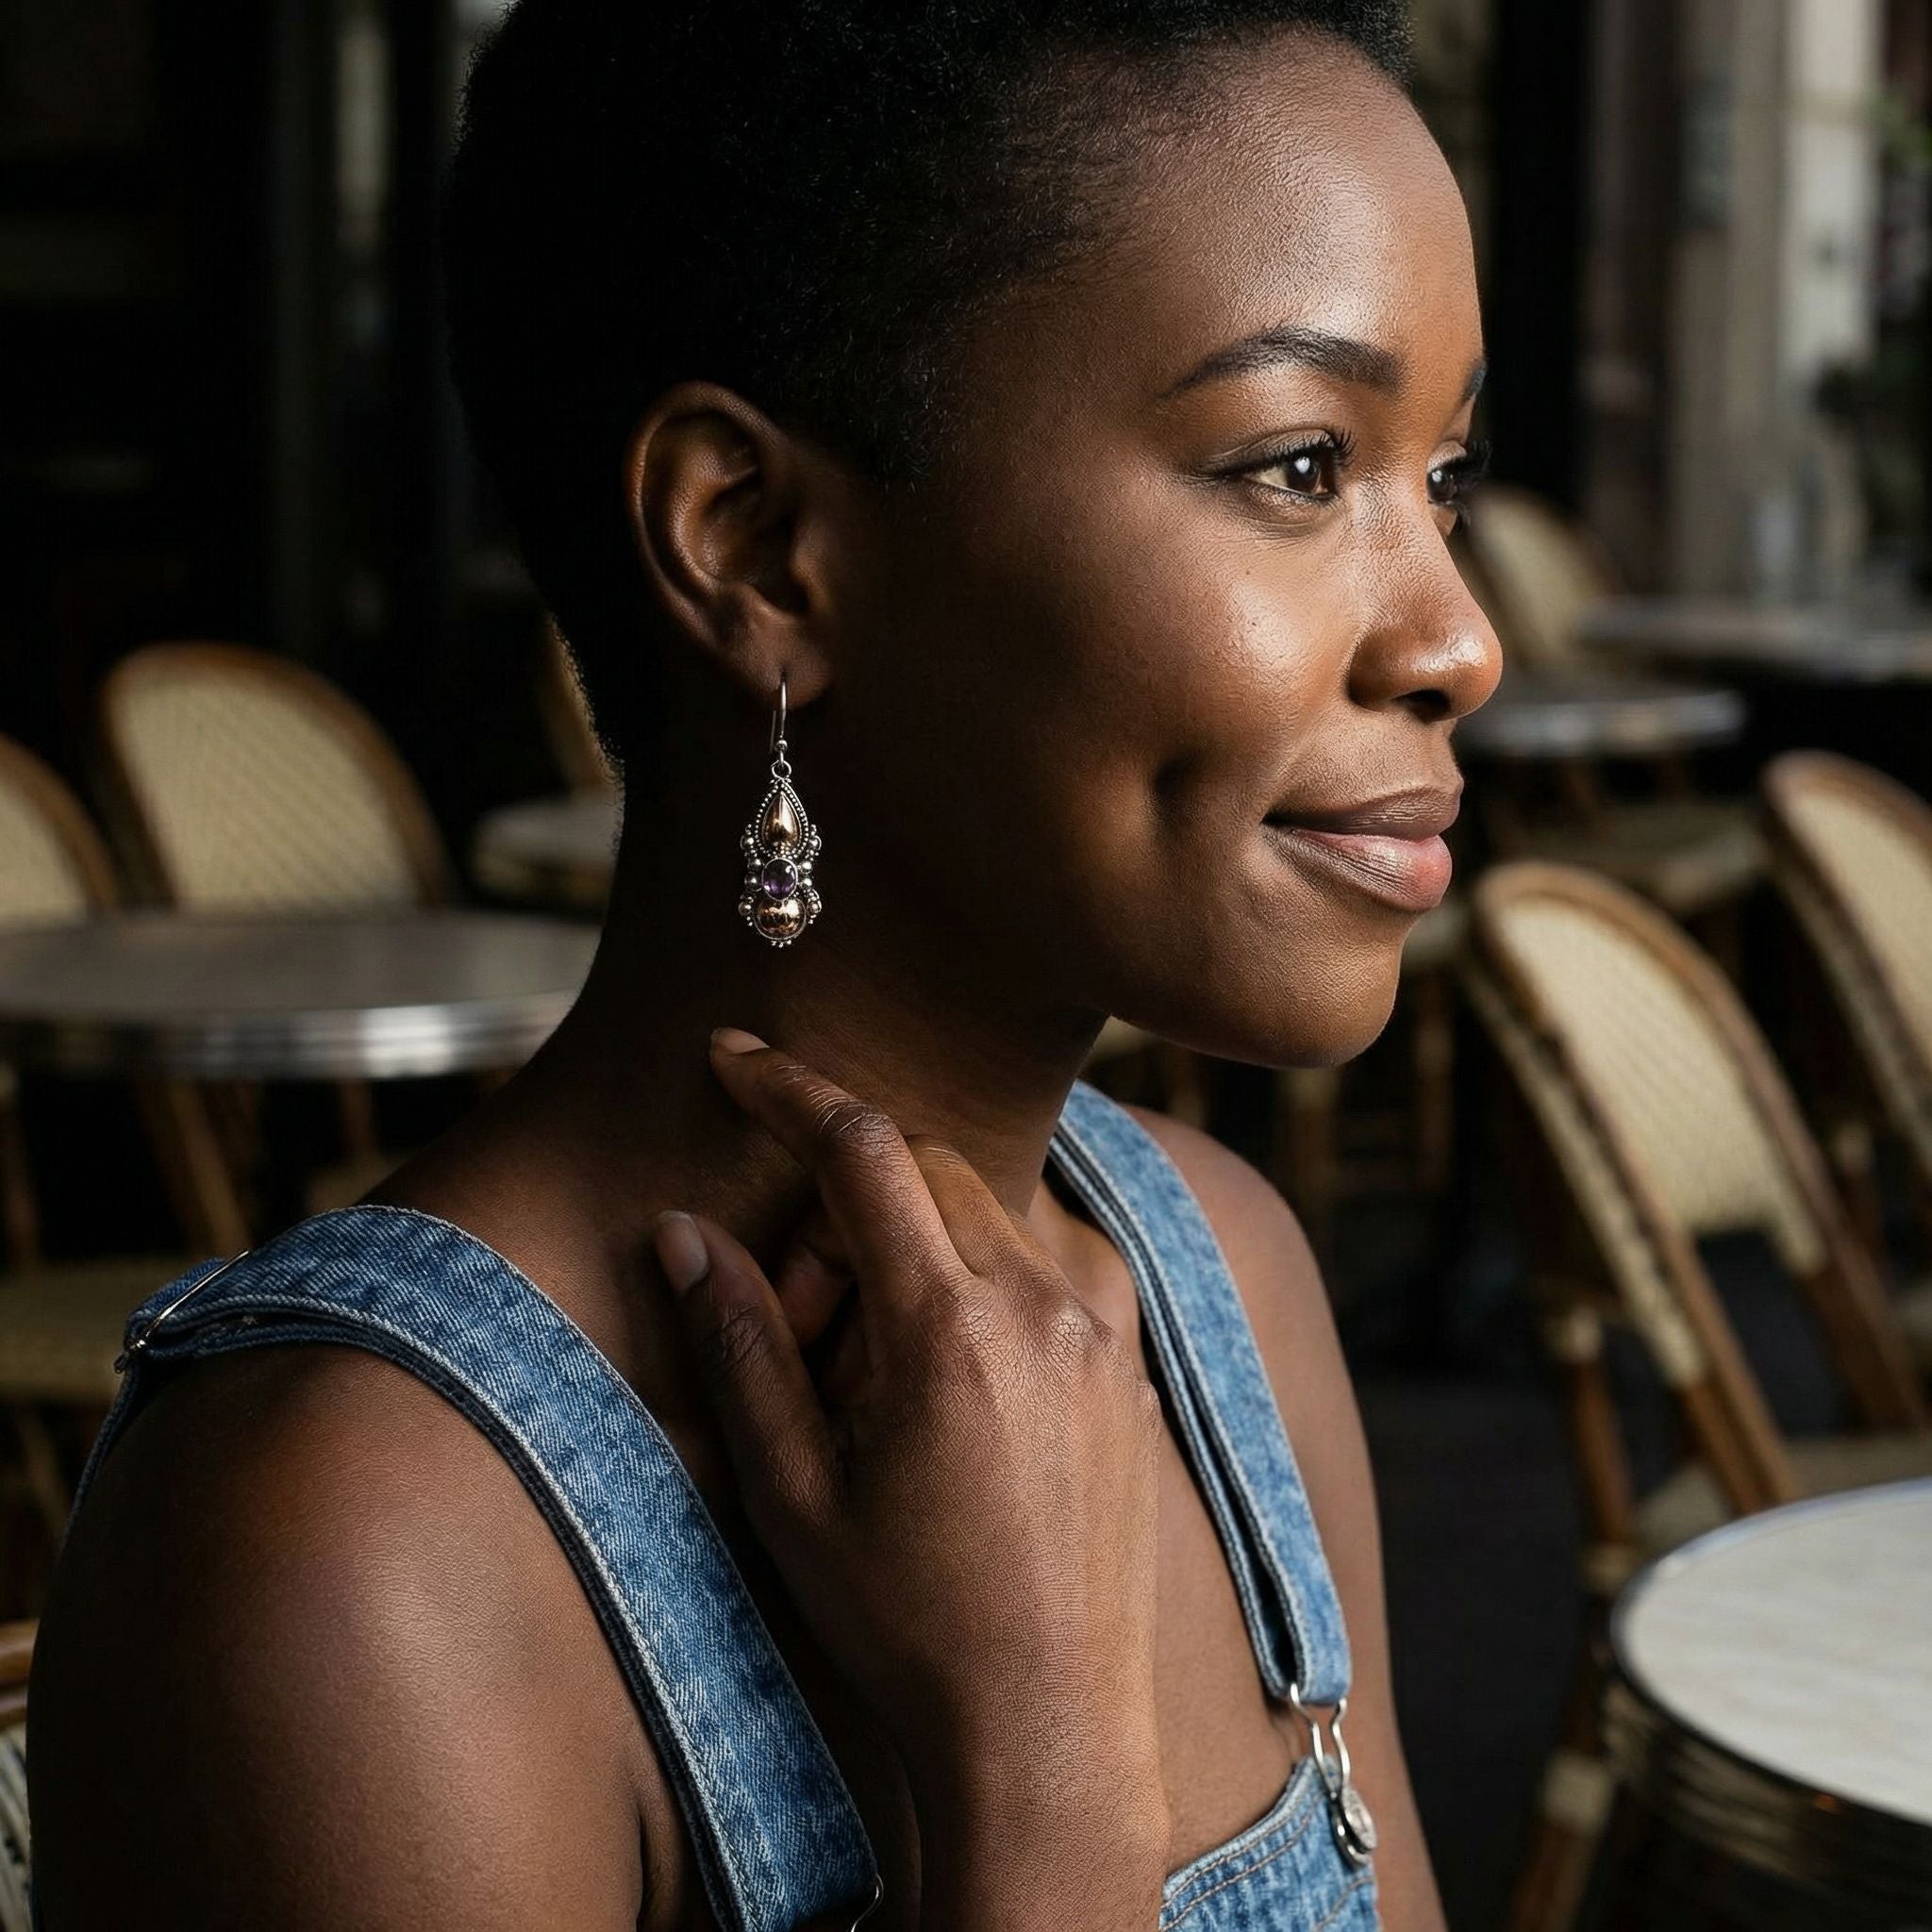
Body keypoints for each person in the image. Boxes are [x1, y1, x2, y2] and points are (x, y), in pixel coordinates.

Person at [27, 2, 1500, 1926]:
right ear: (757, 544)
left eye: (1442, 475)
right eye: (1299, 466)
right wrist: (1033, 1757)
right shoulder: (349, 1559)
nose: (1455, 637)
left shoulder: (1224, 1285)